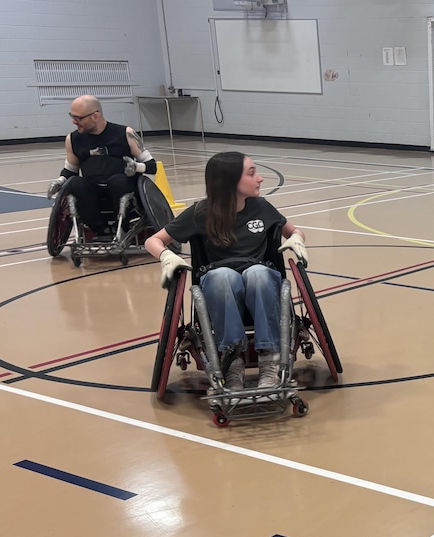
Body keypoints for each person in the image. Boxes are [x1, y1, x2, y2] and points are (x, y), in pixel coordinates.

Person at [144, 152, 308, 391]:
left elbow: (295, 231)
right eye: (252, 173)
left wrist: (296, 239)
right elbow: (153, 241)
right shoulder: (200, 213)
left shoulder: (261, 207)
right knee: (223, 276)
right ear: (230, 182)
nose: (260, 178)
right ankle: (232, 362)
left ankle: (269, 361)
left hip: (260, 280)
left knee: (257, 274)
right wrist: (167, 256)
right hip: (218, 282)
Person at [46, 95, 157, 240]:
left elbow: (152, 166)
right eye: (72, 117)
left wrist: (136, 167)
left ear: (95, 116)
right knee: (74, 183)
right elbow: (70, 171)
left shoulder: (125, 134)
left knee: (117, 181)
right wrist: (60, 181)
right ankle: (99, 229)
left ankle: (122, 226)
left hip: (122, 187)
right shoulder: (72, 139)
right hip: (92, 190)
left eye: (78, 118)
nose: (74, 122)